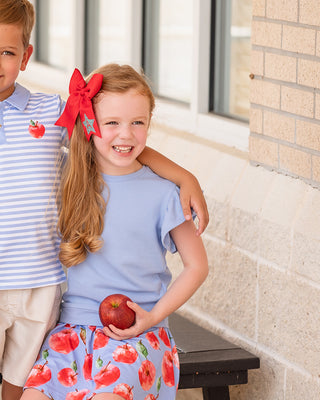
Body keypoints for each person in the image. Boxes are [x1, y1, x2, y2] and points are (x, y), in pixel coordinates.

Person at [0, 1, 208, 399]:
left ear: (26, 57)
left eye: (8, 52)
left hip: (40, 286)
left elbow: (113, 141)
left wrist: (184, 175)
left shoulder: (53, 113)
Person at [21, 64, 209, 400]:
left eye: (138, 122)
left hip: (137, 336)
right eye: (112, 123)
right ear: (90, 124)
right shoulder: (68, 179)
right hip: (70, 337)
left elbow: (197, 267)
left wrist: (153, 316)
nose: (126, 135)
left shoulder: (165, 194)